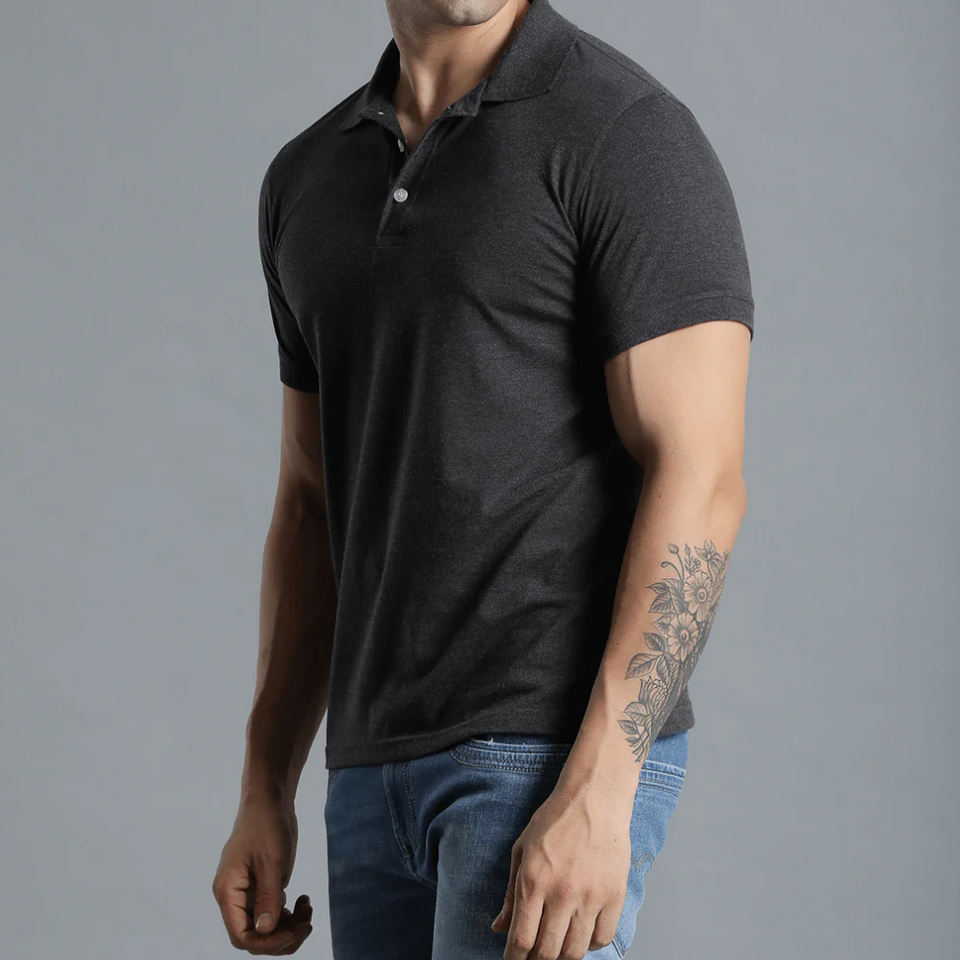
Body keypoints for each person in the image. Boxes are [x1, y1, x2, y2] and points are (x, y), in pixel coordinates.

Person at [211, 0, 754, 957]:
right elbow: (309, 503)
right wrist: (266, 783)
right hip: (369, 773)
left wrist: (601, 785)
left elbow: (700, 475)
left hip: (545, 756)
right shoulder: (307, 178)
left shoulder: (624, 132)